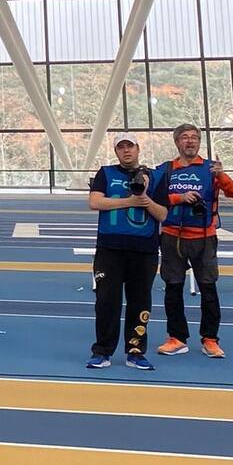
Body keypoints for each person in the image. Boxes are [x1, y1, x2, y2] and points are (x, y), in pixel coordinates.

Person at [155, 123, 233, 359]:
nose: (190, 141)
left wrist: (221, 176)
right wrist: (179, 197)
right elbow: (154, 196)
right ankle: (176, 337)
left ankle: (210, 339)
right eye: (185, 137)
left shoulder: (211, 169)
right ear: (177, 142)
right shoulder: (165, 169)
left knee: (208, 289)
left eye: (194, 137)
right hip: (173, 236)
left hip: (204, 237)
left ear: (199, 142)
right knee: (172, 288)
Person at [85, 133, 169, 371]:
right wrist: (129, 201)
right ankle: (102, 351)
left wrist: (144, 199)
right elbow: (95, 202)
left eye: (129, 146)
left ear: (138, 148)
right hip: (109, 248)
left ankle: (135, 351)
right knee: (106, 301)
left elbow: (162, 214)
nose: (125, 151)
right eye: (120, 147)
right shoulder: (106, 173)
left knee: (140, 301)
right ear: (116, 152)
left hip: (144, 249)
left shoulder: (156, 176)